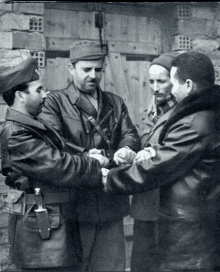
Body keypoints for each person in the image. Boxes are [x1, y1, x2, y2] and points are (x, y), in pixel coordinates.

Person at [103, 51, 220, 271]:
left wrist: (108, 178)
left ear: (187, 84)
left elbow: (158, 167)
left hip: (190, 232)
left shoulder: (193, 122)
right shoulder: (207, 111)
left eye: (171, 82)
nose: (169, 90)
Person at [0, 57, 109, 271]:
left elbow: (60, 148)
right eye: (39, 90)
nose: (45, 94)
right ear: (21, 96)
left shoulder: (32, 125)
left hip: (54, 223)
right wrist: (94, 165)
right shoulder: (15, 134)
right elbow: (58, 166)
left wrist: (87, 154)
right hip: (41, 232)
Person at [39, 40, 140, 271]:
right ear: (71, 68)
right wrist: (87, 156)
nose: (93, 75)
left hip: (111, 201)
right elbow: (54, 145)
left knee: (111, 266)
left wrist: (127, 148)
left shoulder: (115, 102)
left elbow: (130, 134)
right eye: (86, 69)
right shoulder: (55, 102)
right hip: (75, 205)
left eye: (98, 70)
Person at [130, 53, 178, 271]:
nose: (155, 88)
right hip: (146, 203)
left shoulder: (182, 113)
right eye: (151, 82)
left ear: (174, 82)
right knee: (142, 263)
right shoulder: (147, 113)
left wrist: (153, 152)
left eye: (161, 81)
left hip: (171, 203)